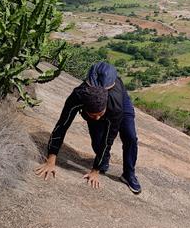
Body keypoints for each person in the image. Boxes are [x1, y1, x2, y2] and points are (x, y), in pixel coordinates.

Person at [35, 62, 141, 194]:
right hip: (94, 104)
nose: (96, 118)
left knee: (130, 136)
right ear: (84, 107)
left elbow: (109, 139)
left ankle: (129, 174)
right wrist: (51, 160)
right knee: (97, 141)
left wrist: (95, 171)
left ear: (105, 109)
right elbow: (62, 125)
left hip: (120, 102)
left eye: (100, 115)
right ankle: (104, 160)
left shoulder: (115, 106)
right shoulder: (78, 97)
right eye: (93, 115)